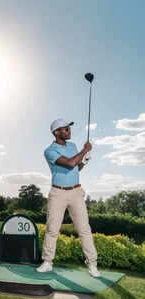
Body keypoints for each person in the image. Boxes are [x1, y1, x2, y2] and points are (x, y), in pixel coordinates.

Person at [36, 118, 100, 278]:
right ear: (57, 132)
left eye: (69, 129)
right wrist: (84, 150)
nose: (69, 131)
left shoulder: (72, 146)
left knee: (84, 229)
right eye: (66, 129)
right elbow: (70, 163)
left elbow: (77, 167)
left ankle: (92, 264)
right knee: (52, 229)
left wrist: (85, 159)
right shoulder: (49, 151)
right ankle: (47, 262)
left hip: (76, 192)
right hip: (57, 193)